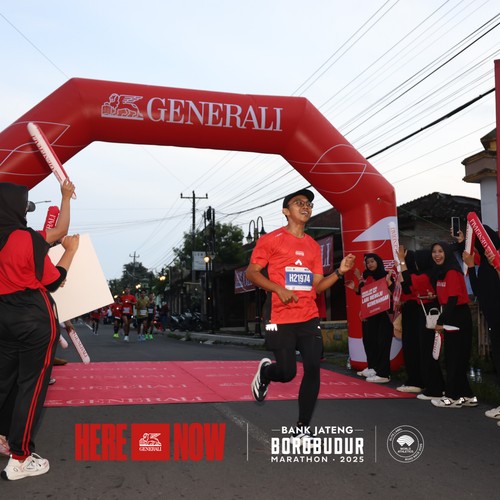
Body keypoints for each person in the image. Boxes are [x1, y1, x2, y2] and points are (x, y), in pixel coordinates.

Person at [246, 188, 355, 442]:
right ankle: (266, 373)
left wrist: (339, 272)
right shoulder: (271, 240)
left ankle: (302, 427)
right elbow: (251, 273)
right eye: (299, 203)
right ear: (286, 211)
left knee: (313, 368)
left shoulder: (313, 247)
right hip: (279, 316)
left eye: (309, 204)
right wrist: (278, 289)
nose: (306, 206)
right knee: (287, 373)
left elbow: (317, 287)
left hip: (308, 316)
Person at [0, 182, 79, 480]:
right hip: (32, 318)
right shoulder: (26, 239)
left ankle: (3, 435)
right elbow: (54, 279)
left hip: (2, 316)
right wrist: (70, 250)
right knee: (30, 387)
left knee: (4, 381)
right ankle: (20, 458)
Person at [426, 241, 475, 408]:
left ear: (446, 253)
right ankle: (467, 395)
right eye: (434, 251)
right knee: (456, 358)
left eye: (440, 251)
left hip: (457, 315)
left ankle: (452, 397)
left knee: (454, 358)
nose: (437, 255)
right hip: (451, 313)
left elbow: (453, 299)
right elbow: (446, 296)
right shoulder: (441, 272)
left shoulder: (452, 272)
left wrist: (441, 321)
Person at [460, 225, 500, 423]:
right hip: (493, 319)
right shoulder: (485, 263)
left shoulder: (496, 259)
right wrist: (471, 266)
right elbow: (478, 291)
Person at [398, 247, 445, 400]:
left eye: (417, 261)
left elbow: (409, 281)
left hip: (430, 313)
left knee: (428, 352)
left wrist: (402, 261)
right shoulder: (428, 273)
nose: (415, 264)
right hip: (425, 312)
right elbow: (408, 286)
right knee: (426, 351)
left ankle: (435, 389)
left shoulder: (428, 275)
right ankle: (435, 387)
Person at [351, 253, 394, 383]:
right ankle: (374, 368)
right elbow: (362, 293)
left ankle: (384, 373)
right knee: (370, 341)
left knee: (382, 343)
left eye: (372, 261)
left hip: (384, 314)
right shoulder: (367, 276)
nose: (370, 264)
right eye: (367, 262)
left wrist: (389, 286)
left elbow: (393, 292)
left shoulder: (386, 275)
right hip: (370, 314)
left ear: (378, 261)